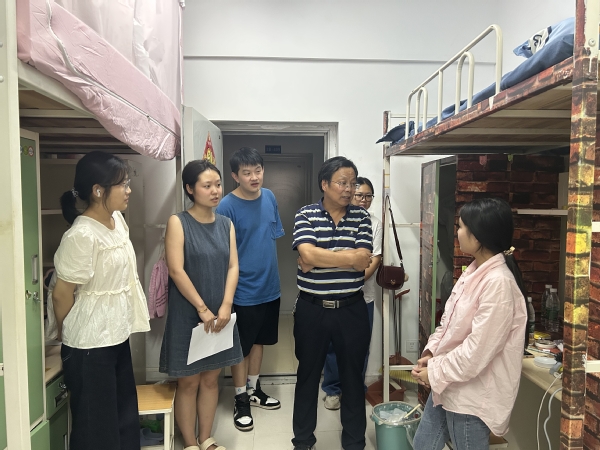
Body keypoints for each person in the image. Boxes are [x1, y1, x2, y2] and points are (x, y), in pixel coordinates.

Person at [47, 151, 150, 450]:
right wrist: (68, 332)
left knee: (124, 416)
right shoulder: (81, 235)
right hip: (89, 345)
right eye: (123, 185)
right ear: (98, 190)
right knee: (96, 427)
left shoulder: (117, 220)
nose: (129, 190)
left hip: (116, 334)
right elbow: (61, 294)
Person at [411, 197, 527, 450]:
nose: (457, 232)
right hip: (449, 382)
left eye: (461, 227)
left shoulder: (498, 283)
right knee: (423, 444)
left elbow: (477, 352)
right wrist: (431, 353)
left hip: (471, 395)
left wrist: (436, 372)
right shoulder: (474, 271)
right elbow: (449, 323)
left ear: (478, 236)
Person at [159, 159, 243, 450]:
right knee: (189, 382)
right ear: (190, 189)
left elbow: (233, 266)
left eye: (218, 184)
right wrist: (202, 308)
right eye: (207, 186)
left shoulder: (226, 224)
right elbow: (176, 270)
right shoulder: (178, 222)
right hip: (188, 312)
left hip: (220, 312)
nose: (215, 191)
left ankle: (206, 438)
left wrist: (226, 305)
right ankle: (190, 443)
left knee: (211, 379)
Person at [292, 156, 374, 450]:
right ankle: (303, 441)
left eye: (352, 183)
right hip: (311, 309)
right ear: (324, 184)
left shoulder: (361, 218)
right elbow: (307, 255)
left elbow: (363, 261)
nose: (349, 189)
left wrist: (319, 257)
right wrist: (347, 257)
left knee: (353, 378)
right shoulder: (305, 214)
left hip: (351, 309)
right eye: (343, 183)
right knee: (307, 375)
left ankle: (354, 443)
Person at [216, 147, 284, 431]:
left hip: (271, 287)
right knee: (240, 348)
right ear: (235, 176)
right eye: (247, 173)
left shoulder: (269, 197)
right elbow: (222, 255)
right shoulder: (226, 206)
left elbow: (271, 237)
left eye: (258, 170)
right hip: (243, 290)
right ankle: (240, 398)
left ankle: (254, 389)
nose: (254, 177)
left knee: (259, 342)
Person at [321, 176, 382, 410]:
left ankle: (354, 389)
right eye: (359, 195)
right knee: (332, 346)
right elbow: (325, 258)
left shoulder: (374, 223)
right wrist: (348, 264)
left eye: (368, 196)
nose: (363, 200)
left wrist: (352, 279)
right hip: (333, 296)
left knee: (360, 346)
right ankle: (333, 389)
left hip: (364, 297)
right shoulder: (336, 219)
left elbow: (373, 259)